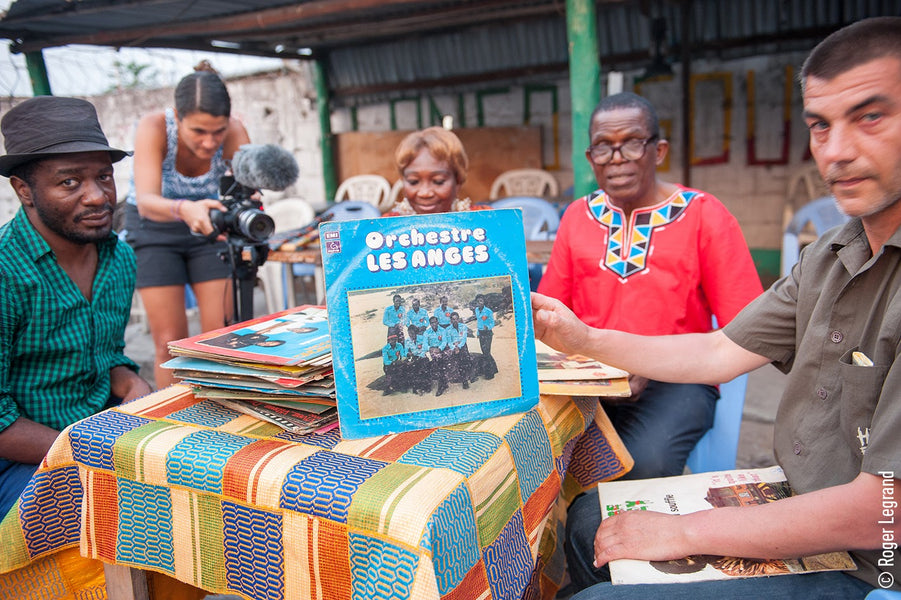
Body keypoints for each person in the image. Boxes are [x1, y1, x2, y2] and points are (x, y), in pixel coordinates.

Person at [533, 16, 901, 598]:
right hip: (784, 484)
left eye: (871, 117)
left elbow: (886, 511)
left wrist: (682, 532)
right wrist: (583, 342)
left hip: (873, 562)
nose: (838, 151)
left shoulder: (704, 214)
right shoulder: (829, 256)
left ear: (657, 150)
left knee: (625, 508)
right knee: (584, 519)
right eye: (819, 126)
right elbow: (718, 348)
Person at [539, 91, 762, 485]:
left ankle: (629, 539)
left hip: (679, 379)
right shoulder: (577, 217)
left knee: (643, 464)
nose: (617, 157)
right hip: (590, 377)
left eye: (632, 143)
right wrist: (596, 371)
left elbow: (749, 328)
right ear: (591, 159)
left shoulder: (705, 215)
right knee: (540, 451)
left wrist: (649, 363)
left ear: (658, 151)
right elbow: (552, 315)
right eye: (604, 148)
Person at [0, 97, 152, 518]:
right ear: (24, 190)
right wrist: (94, 457)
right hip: (20, 458)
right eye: (70, 183)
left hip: (94, 436)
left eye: (104, 176)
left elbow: (105, 358)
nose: (97, 196)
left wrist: (130, 385)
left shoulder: (118, 258)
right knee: (115, 515)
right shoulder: (5, 272)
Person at [124, 62, 251, 388]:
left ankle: (226, 416)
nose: (210, 142)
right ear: (177, 117)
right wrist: (185, 209)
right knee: (169, 341)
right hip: (154, 228)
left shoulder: (235, 131)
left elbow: (249, 191)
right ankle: (173, 417)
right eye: (198, 131)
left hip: (209, 229)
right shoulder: (153, 127)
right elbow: (148, 200)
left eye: (217, 131)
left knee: (222, 337)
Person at [387, 126, 489, 215]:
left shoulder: (485, 221)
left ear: (458, 180)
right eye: (413, 181)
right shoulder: (386, 228)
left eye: (438, 181)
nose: (425, 193)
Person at [472, 294, 498, 379]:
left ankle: (490, 374)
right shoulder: (476, 310)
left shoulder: (488, 311)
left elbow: (492, 323)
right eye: (478, 301)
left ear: (484, 302)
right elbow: (479, 322)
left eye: (481, 301)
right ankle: (494, 368)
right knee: (485, 352)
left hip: (487, 333)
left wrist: (488, 327)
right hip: (481, 333)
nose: (479, 303)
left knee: (486, 352)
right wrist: (478, 333)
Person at [423, 316, 450, 396]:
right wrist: (430, 349)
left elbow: (444, 341)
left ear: (438, 322)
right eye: (432, 323)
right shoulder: (427, 332)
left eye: (435, 322)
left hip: (440, 350)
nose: (434, 324)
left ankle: (441, 386)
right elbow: (425, 344)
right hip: (431, 351)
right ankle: (431, 385)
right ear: (430, 324)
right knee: (428, 363)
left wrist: (440, 349)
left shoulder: (442, 330)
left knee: (440, 362)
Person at [446, 311, 474, 389]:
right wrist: (454, 348)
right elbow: (449, 341)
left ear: (458, 319)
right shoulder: (448, 329)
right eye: (453, 319)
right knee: (459, 363)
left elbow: (464, 338)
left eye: (456, 319)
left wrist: (459, 346)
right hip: (454, 347)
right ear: (450, 320)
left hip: (462, 345)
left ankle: (470, 376)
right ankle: (464, 381)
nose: (455, 321)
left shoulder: (463, 327)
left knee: (466, 359)